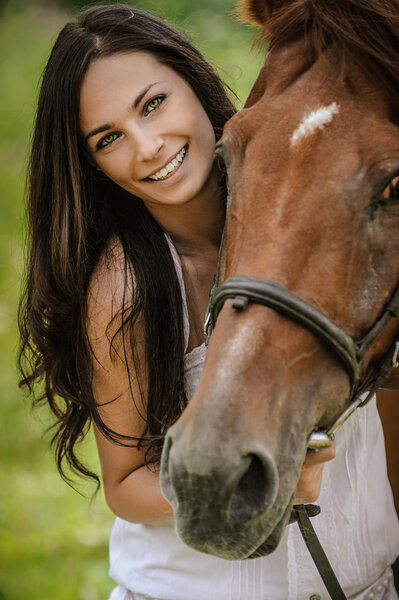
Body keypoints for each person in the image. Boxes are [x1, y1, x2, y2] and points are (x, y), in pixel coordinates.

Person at [18, 4, 399, 600]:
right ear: (91, 165)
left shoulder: (330, 222)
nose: (147, 147)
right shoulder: (126, 289)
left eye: (153, 104)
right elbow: (123, 485)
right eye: (110, 138)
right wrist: (244, 485)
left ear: (195, 85)